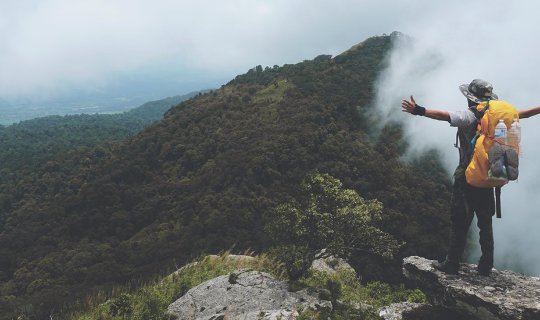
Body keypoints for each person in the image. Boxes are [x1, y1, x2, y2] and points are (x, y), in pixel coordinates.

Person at [401, 79, 540, 276]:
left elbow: (445, 116)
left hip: (467, 176)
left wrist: (418, 110)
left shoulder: (470, 115)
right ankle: (485, 266)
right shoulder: (497, 116)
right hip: (490, 174)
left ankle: (452, 263)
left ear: (470, 99)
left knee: (460, 221)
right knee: (485, 222)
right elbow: (522, 114)